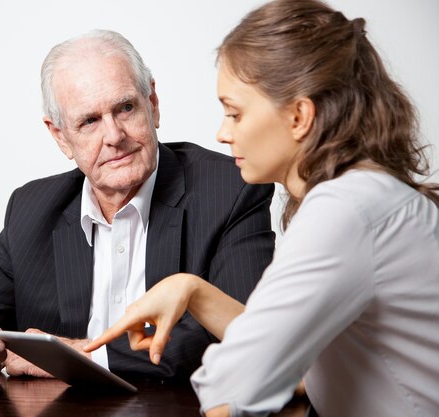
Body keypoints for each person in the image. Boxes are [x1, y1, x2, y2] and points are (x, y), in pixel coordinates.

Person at [84, 1, 439, 416]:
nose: (222, 132)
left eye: (234, 113)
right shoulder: (365, 196)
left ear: (299, 116)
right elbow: (306, 366)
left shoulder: (345, 210)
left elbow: (232, 389)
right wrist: (192, 290)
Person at [0, 29, 276, 395]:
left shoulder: (229, 189)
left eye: (126, 108)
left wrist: (76, 355)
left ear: (153, 103)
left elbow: (242, 335)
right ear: (60, 137)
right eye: (89, 121)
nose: (114, 135)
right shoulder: (33, 209)